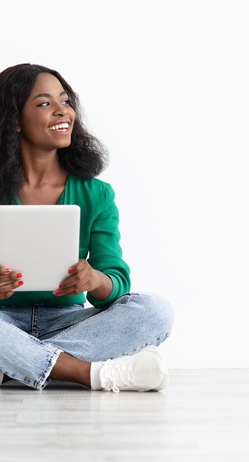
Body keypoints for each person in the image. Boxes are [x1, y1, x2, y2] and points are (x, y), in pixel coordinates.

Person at [0, 63, 174, 392]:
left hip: (68, 321)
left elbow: (117, 284)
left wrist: (93, 278)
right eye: (44, 103)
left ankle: (12, 366)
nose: (62, 111)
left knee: (155, 310)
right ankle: (92, 374)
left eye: (65, 101)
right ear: (14, 120)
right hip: (3, 320)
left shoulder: (97, 195)